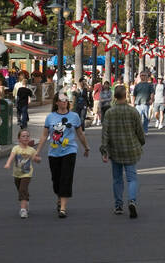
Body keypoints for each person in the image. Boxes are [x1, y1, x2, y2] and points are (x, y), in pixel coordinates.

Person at [100, 85, 146, 217]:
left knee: (117, 179)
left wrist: (104, 151)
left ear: (115, 97)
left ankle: (118, 205)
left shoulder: (109, 113)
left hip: (115, 150)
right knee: (132, 178)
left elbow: (105, 134)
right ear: (125, 96)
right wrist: (141, 142)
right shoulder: (133, 112)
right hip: (130, 149)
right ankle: (132, 200)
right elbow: (139, 131)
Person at [42, 95, 89, 218]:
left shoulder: (74, 116)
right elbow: (44, 135)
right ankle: (59, 196)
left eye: (66, 100)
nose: (65, 102)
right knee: (56, 180)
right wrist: (37, 151)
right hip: (53, 153)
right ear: (57, 102)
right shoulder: (50, 117)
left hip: (70, 151)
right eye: (62, 100)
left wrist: (86, 147)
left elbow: (80, 133)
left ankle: (63, 208)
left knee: (66, 178)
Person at [5, 130, 38, 218]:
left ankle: (23, 210)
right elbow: (11, 156)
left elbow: (36, 159)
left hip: (27, 174)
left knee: (22, 189)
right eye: (23, 136)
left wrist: (38, 159)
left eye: (27, 136)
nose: (25, 138)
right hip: (17, 174)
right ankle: (26, 200)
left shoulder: (31, 150)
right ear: (19, 138)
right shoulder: (16, 148)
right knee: (20, 189)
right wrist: (8, 163)